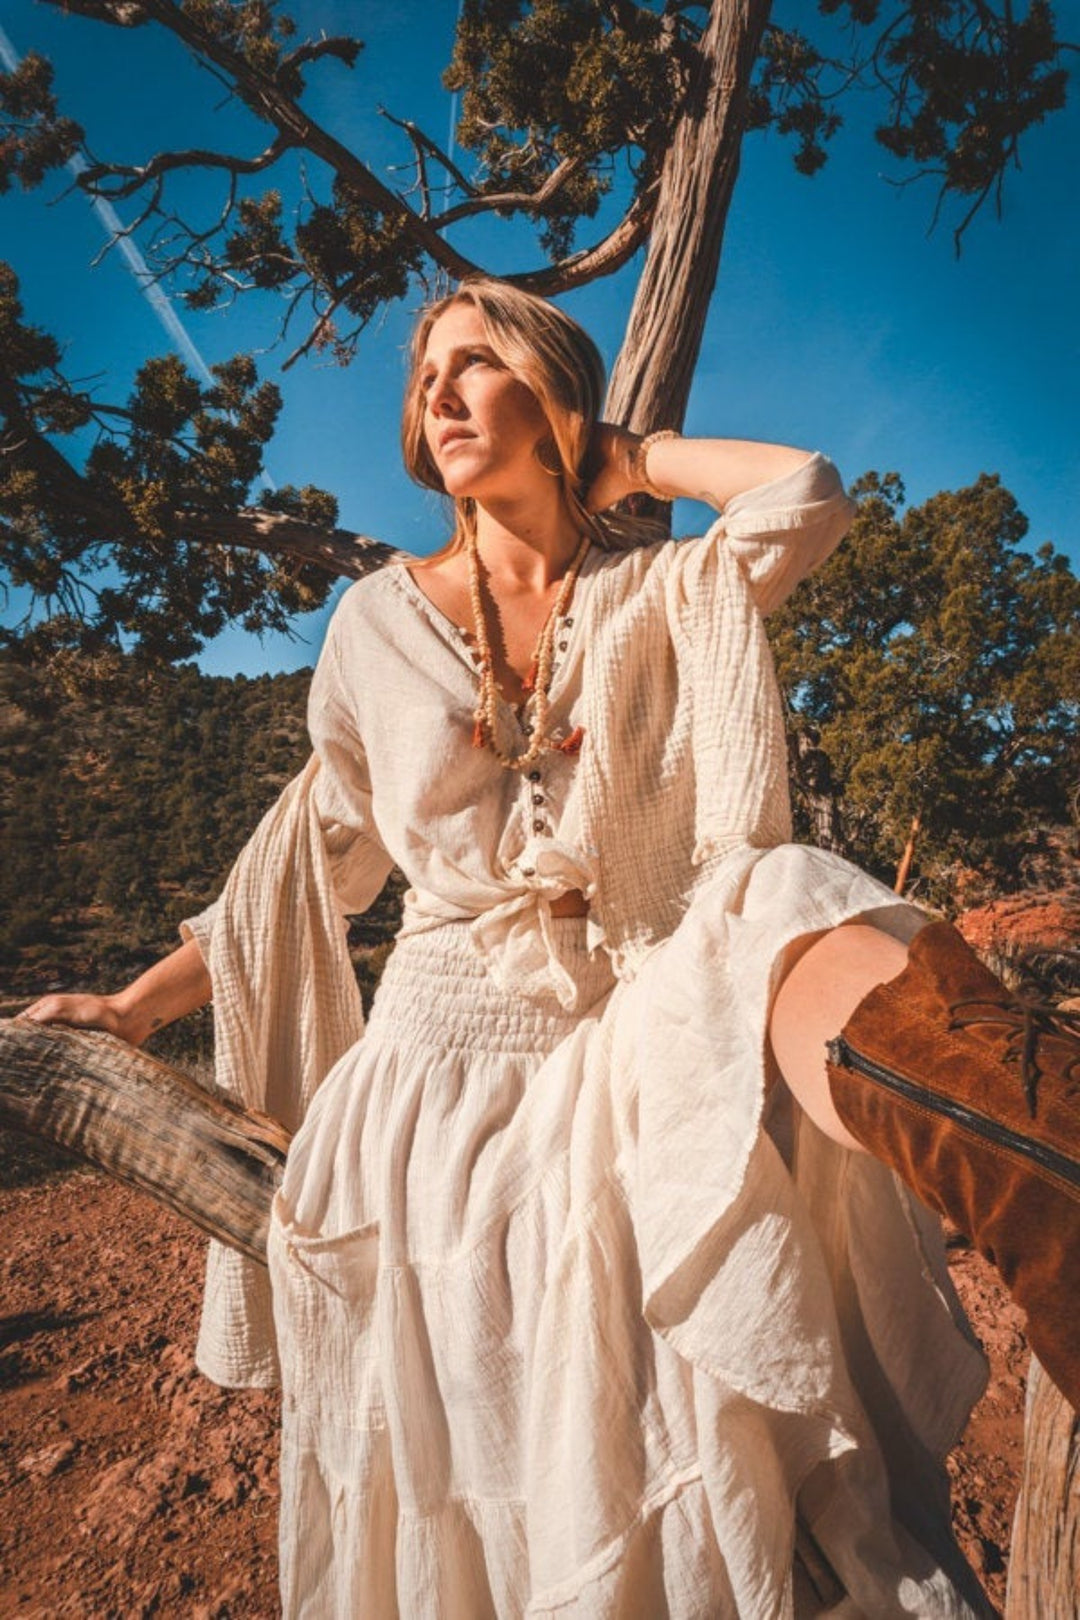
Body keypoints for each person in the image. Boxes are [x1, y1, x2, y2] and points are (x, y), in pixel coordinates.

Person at [22, 277, 1078, 1618]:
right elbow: (305, 866)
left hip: (620, 1038)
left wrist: (628, 459)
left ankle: (1045, 1173)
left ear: (553, 398)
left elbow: (803, 491)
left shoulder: (658, 591)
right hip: (433, 1091)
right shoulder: (375, 629)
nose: (440, 396)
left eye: (477, 364)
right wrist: (131, 1003)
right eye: (427, 381)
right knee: (502, 1482)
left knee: (772, 892)